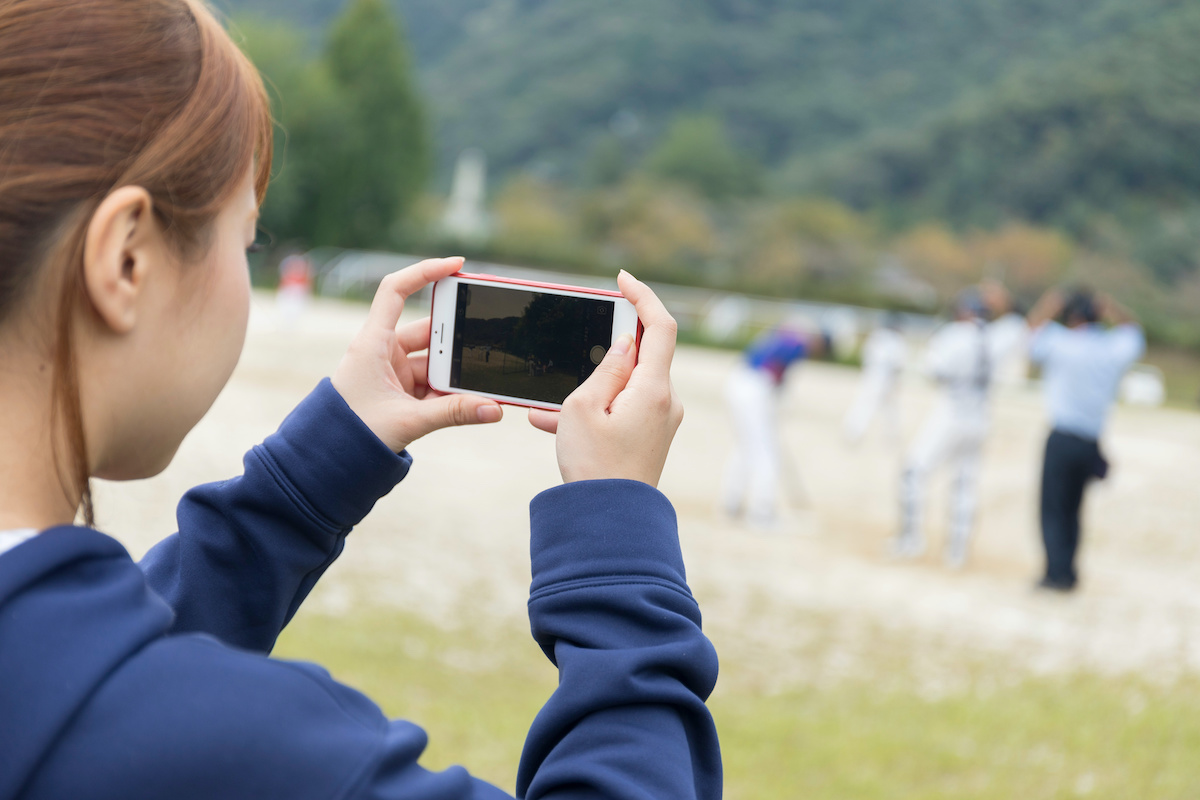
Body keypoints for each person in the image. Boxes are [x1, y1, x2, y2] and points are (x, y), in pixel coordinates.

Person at [0, 3, 720, 799]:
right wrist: (616, 527)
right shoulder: (246, 746)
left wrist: (313, 474)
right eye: (248, 240)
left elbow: (73, 670)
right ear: (126, 260)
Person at [892, 285, 1026, 569]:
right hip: (980, 416)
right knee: (965, 484)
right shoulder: (997, 335)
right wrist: (1005, 299)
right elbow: (1018, 323)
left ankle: (911, 538)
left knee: (914, 472)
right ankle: (957, 551)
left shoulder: (953, 335)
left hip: (951, 412)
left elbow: (933, 371)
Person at [1026, 287, 1144, 592]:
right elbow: (1134, 332)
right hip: (1091, 440)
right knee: (1074, 510)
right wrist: (1111, 307)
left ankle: (1055, 574)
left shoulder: (1061, 342)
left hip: (1062, 435)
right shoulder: (1110, 348)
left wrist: (1050, 304)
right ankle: (1070, 572)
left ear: (1072, 317)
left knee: (1053, 509)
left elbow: (1031, 332)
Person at [721, 324, 827, 528]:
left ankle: (731, 504)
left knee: (746, 448)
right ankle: (762, 512)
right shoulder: (799, 346)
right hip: (754, 389)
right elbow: (773, 372)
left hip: (739, 382)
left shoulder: (786, 335)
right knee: (766, 451)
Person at [843, 313, 908, 446]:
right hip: (886, 378)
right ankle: (890, 436)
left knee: (866, 404)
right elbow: (898, 365)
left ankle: (853, 431)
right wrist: (897, 382)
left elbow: (865, 357)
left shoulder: (877, 336)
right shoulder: (896, 340)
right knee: (887, 409)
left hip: (871, 375)